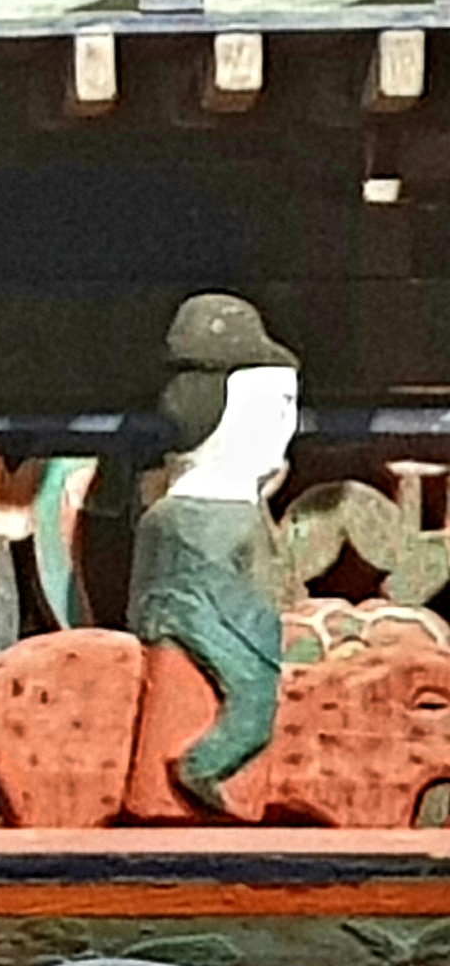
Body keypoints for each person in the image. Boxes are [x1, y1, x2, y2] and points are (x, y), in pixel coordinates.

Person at [127, 288, 299, 814]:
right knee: (255, 691)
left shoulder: (179, 513)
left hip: (191, 622)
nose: (288, 427)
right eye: (279, 406)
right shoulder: (206, 517)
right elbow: (238, 606)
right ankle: (203, 764)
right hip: (202, 630)